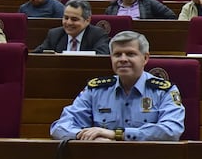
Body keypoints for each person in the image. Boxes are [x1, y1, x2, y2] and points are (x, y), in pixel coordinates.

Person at [50, 30, 185, 141]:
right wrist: (86, 136)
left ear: (145, 58)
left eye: (130, 54)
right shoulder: (95, 89)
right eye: (117, 54)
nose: (123, 59)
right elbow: (60, 127)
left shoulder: (164, 91)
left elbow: (172, 130)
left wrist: (117, 134)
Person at [33, 0, 110, 54]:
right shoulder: (54, 34)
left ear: (87, 20)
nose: (68, 23)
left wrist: (63, 57)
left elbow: (101, 58)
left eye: (74, 19)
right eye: (66, 18)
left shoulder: (98, 35)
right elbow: (37, 55)